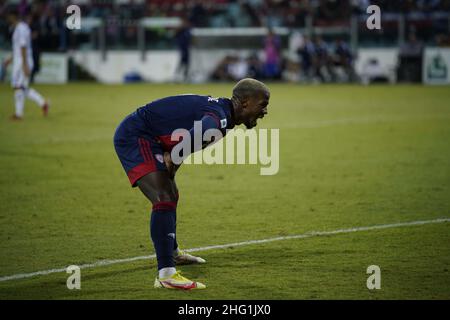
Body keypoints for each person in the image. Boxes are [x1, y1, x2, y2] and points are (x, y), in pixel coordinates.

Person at [113, 78, 270, 290]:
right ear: (245, 102)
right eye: (263, 104)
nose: (265, 111)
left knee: (170, 194)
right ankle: (166, 274)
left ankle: (172, 253)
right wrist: (174, 157)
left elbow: (192, 135)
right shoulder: (220, 117)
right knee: (164, 197)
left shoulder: (224, 114)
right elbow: (202, 130)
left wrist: (174, 161)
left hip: (152, 137)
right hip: (137, 135)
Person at [4, 7, 49, 120]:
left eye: (8, 17)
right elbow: (18, 48)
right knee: (20, 87)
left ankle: (19, 114)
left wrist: (24, 65)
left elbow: (23, 47)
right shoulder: (18, 28)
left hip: (23, 61)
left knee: (19, 87)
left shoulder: (22, 29)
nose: (7, 19)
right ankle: (43, 103)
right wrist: (11, 58)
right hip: (20, 60)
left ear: (13, 16)